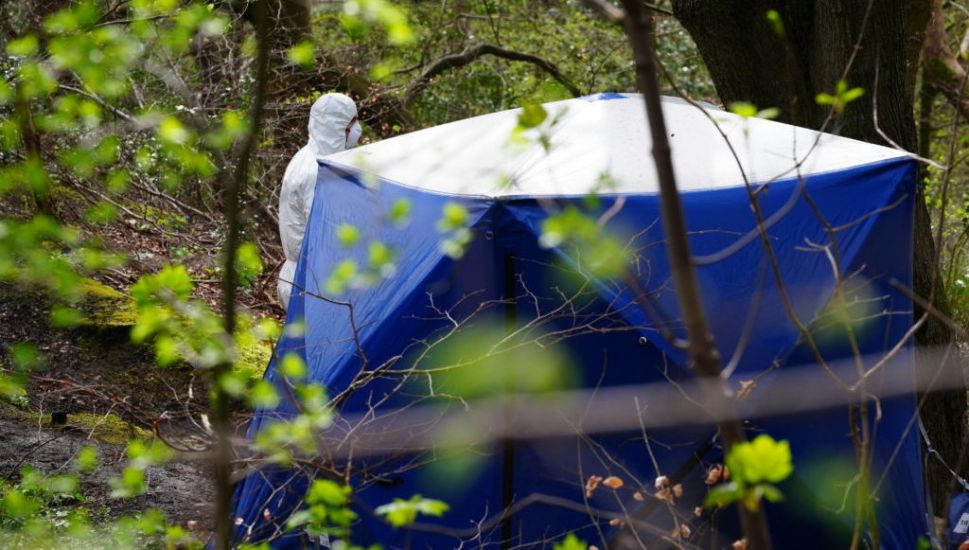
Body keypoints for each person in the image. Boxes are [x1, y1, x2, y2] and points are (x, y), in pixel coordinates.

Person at [277, 93, 362, 309]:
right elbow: (326, 235)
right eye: (353, 122)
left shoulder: (309, 156)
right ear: (340, 126)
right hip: (313, 285)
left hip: (306, 278)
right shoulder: (318, 173)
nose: (357, 129)